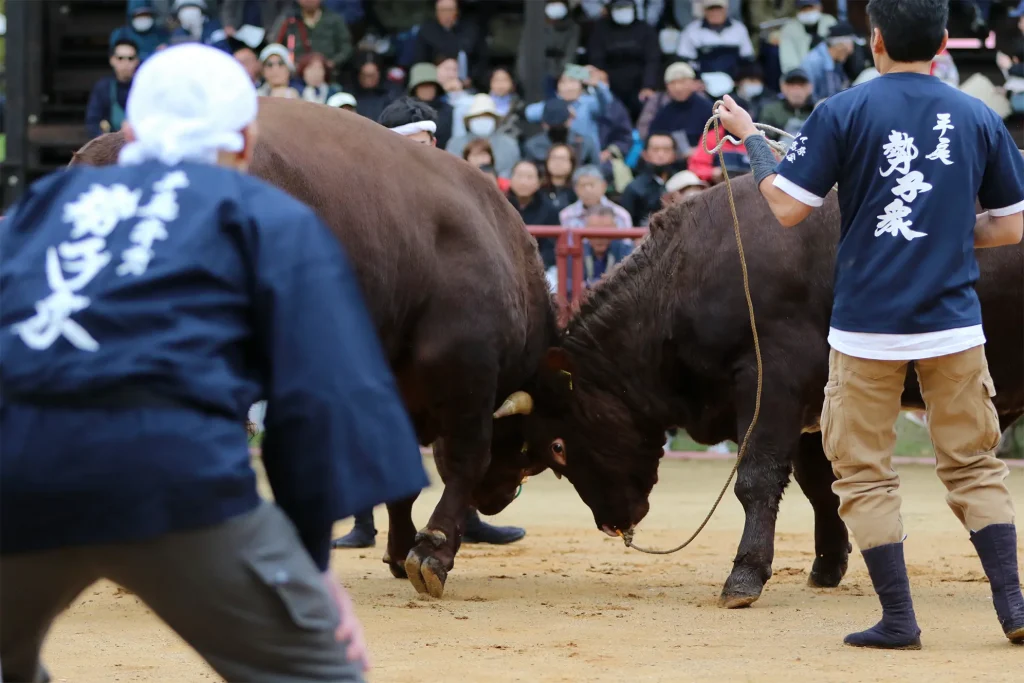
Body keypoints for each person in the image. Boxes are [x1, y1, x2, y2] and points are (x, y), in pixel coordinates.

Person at [0, 44, 430, 682]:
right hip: (173, 474)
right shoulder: (268, 215)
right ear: (246, 140)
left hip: (15, 471)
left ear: (134, 132)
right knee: (320, 671)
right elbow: (314, 403)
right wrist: (306, 572)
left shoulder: (40, 209)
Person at [717, 0, 1024, 650]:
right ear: (942, 42)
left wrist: (751, 140)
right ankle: (1012, 604)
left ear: (875, 40)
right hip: (954, 323)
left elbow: (785, 210)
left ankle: (900, 618)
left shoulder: (842, 111)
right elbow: (1014, 223)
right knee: (973, 463)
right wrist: (946, 236)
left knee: (862, 470)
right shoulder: (977, 114)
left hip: (865, 326)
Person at [331, 96, 527, 550]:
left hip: (444, 318)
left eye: (424, 141)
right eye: (408, 143)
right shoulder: (366, 190)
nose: (419, 150)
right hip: (384, 317)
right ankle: (365, 522)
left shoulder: (457, 185)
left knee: (463, 407)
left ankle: (464, 512)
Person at [86, 39, 140, 138]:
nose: (125, 63)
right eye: (120, 58)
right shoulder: (103, 88)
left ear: (137, 61)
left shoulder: (145, 87)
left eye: (130, 58)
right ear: (112, 60)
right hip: (110, 147)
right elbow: (92, 122)